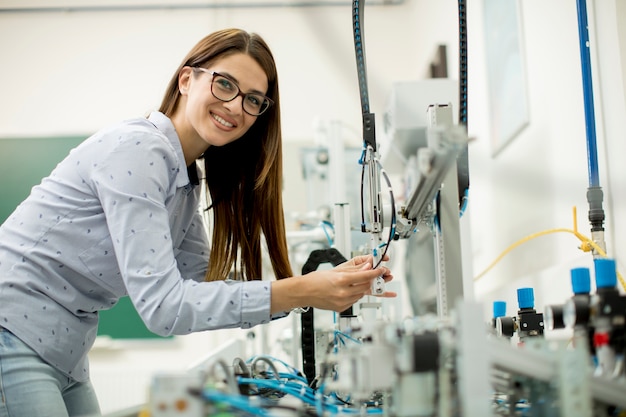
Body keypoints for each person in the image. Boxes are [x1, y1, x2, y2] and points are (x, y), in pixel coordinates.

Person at [0, 28, 395, 416]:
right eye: (225, 85)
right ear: (187, 79)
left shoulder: (185, 178)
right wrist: (302, 291)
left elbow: (202, 285)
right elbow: (165, 309)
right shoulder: (140, 150)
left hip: (64, 349)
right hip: (13, 329)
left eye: (254, 100)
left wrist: (320, 285)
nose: (236, 106)